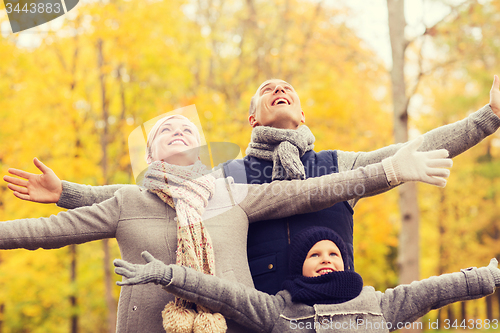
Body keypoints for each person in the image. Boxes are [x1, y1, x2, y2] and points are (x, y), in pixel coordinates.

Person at [5, 76, 499, 295]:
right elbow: (150, 199)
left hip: (330, 306)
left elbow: (413, 151)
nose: (278, 90)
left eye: (288, 90)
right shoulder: (226, 178)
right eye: (267, 91)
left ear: (303, 113)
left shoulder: (340, 165)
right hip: (254, 313)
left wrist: (490, 117)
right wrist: (68, 192)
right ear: (251, 117)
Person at [0, 115, 452, 333]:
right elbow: (40, 233)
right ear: (150, 153)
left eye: (187, 130)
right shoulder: (127, 200)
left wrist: (394, 170)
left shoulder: (231, 194)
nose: (177, 131)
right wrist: (63, 195)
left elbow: (316, 190)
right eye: (165, 131)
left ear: (203, 150)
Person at [113, 226, 500, 333]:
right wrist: (168, 274)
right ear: (301, 267)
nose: (326, 259)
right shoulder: (277, 309)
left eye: (333, 254)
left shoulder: (380, 304)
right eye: (315, 255)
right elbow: (222, 294)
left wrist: (490, 277)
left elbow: (437, 289)